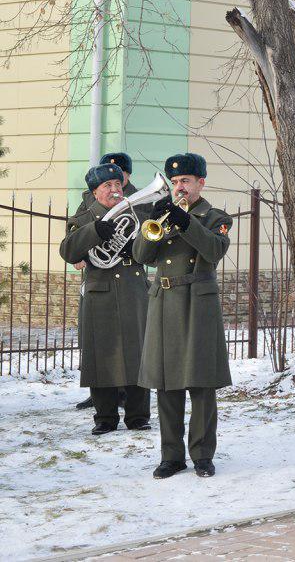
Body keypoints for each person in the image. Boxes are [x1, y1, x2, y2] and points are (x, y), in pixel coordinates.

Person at [135, 153, 233, 479]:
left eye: (185, 181)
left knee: (202, 384)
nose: (179, 187)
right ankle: (171, 456)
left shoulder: (213, 216)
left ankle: (203, 455)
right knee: (166, 385)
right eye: (175, 182)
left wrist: (186, 222)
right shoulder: (162, 215)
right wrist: (157, 223)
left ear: (200, 183)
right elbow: (141, 255)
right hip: (163, 301)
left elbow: (214, 250)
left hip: (197, 302)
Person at [59, 163, 151, 434]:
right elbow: (68, 252)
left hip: (133, 288)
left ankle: (138, 416)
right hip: (100, 291)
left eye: (117, 185)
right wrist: (94, 232)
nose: (114, 190)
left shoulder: (135, 212)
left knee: (137, 354)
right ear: (95, 192)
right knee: (100, 355)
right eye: (107, 186)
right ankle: (105, 418)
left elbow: (149, 249)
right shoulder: (84, 219)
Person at [74, 151, 138, 412]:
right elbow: (76, 229)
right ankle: (100, 394)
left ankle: (127, 395)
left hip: (127, 278)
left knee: (131, 342)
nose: (114, 183)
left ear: (127, 175)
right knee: (97, 341)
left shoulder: (136, 198)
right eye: (108, 178)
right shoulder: (90, 198)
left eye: (119, 175)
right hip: (98, 276)